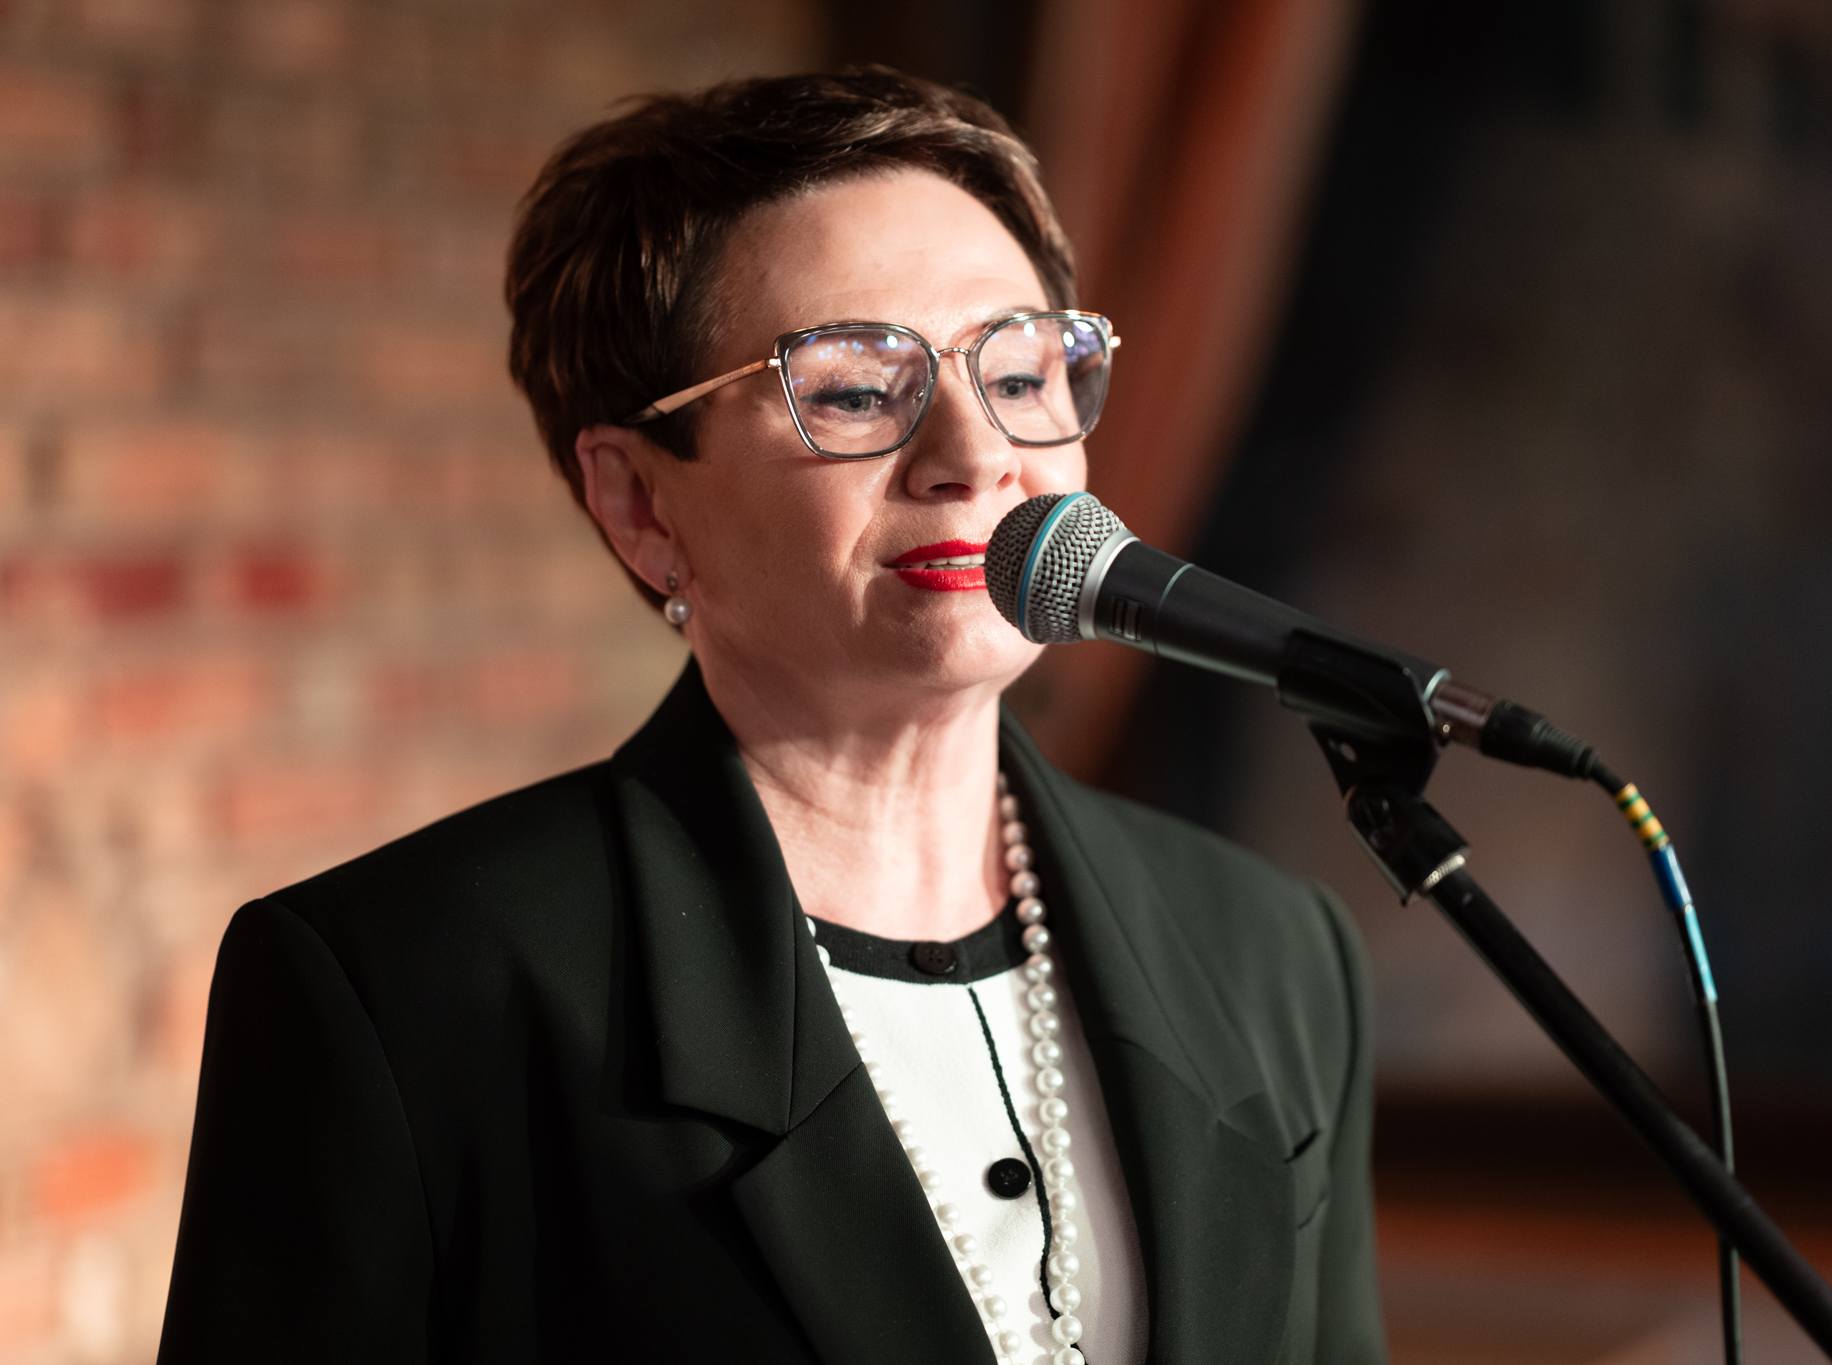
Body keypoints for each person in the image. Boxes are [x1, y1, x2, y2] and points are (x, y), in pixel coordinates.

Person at [158, 67, 1386, 1364]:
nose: (976, 455)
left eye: (1022, 374)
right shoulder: (406, 991)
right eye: (855, 390)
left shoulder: (1274, 954)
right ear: (641, 505)